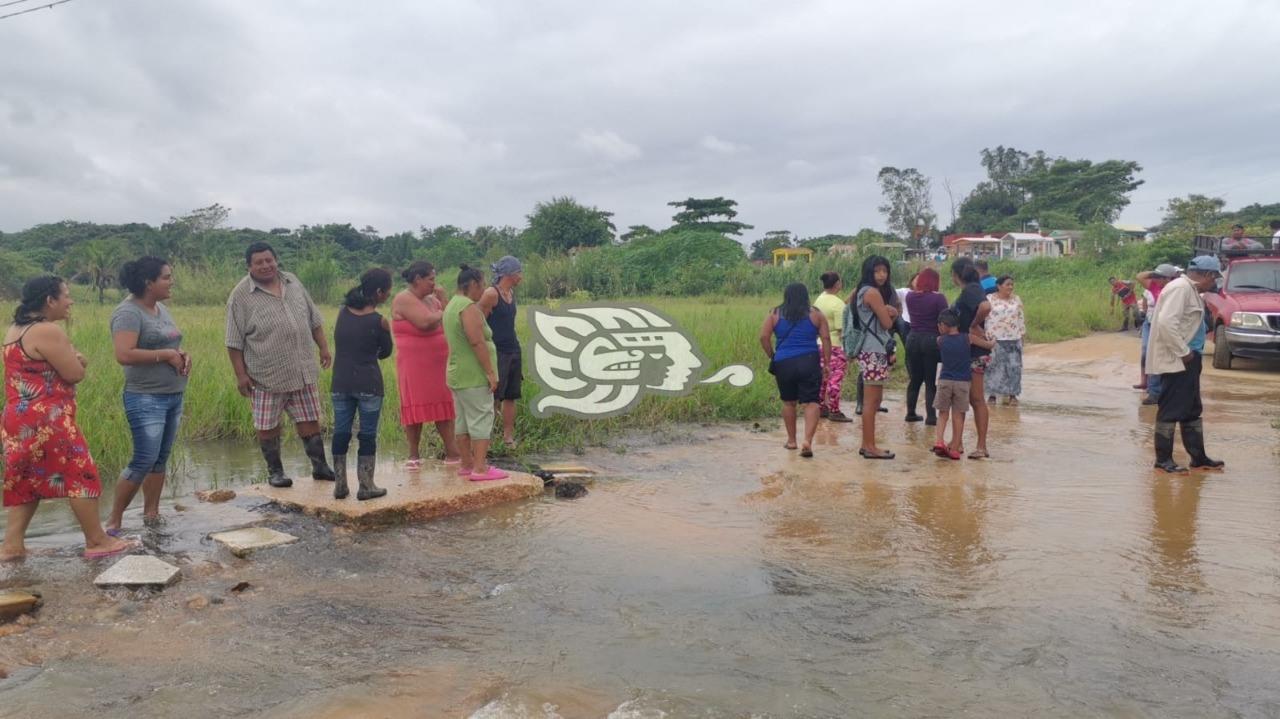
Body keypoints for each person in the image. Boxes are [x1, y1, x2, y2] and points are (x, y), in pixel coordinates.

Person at [1, 277, 134, 560]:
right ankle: (97, 540)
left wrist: (74, 359)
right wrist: (80, 360)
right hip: (48, 418)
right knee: (81, 474)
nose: (70, 301)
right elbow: (74, 373)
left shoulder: (16, 328)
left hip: (18, 418)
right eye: (66, 295)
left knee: (26, 480)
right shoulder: (47, 330)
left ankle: (12, 545)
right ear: (50, 300)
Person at [225, 242, 335, 488]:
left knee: (310, 419)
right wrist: (241, 375)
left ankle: (320, 467)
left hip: (302, 369)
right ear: (249, 266)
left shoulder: (292, 282)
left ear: (276, 260)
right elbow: (233, 342)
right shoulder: (240, 296)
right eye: (259, 262)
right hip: (266, 375)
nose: (266, 266)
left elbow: (313, 318)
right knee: (268, 425)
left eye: (269, 260)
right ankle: (275, 472)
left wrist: (324, 347)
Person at [105, 257, 190, 535]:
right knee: (143, 458)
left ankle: (151, 514)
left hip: (173, 394)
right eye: (166, 277)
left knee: (160, 458)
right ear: (148, 282)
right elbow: (123, 354)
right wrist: (166, 355)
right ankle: (114, 521)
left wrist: (180, 355)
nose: (171, 281)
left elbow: (169, 342)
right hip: (145, 397)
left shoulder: (160, 308)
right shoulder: (128, 313)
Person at [1147, 255, 1225, 473]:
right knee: (1171, 408)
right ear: (1208, 275)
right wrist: (1183, 352)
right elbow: (1165, 321)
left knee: (1191, 408)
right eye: (1214, 278)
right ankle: (1163, 460)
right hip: (1180, 358)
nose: (1214, 284)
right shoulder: (1181, 288)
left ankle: (1198, 458)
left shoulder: (1189, 290)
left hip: (1190, 357)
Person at [330, 269, 394, 501]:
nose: (388, 295)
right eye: (387, 291)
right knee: (367, 435)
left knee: (341, 431)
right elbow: (386, 352)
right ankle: (366, 486)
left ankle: (340, 485)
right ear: (378, 292)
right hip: (369, 383)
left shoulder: (342, 313)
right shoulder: (380, 321)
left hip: (341, 382)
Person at [392, 261, 460, 468]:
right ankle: (413, 454)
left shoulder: (432, 300)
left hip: (438, 362)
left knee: (444, 405)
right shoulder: (403, 298)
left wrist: (443, 301)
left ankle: (452, 451)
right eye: (430, 279)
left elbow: (452, 317)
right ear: (417, 279)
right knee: (415, 407)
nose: (434, 283)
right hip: (415, 364)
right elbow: (425, 322)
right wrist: (443, 311)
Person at [443, 265, 508, 481]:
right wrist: (490, 372)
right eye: (482, 284)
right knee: (481, 417)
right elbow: (476, 341)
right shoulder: (468, 307)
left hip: (456, 373)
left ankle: (466, 463)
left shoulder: (452, 304)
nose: (484, 289)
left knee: (462, 420)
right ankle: (480, 468)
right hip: (472, 374)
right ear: (472, 284)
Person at [760, 282, 830, 458]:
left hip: (784, 362)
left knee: (788, 402)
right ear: (806, 296)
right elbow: (826, 338)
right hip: (809, 360)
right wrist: (827, 363)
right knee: (811, 402)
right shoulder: (816, 314)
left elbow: (764, 337)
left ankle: (791, 441)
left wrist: (773, 356)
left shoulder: (775, 313)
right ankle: (807, 440)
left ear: (786, 296)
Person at [852, 255, 898, 459]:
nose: (882, 275)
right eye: (877, 271)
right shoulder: (872, 293)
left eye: (884, 271)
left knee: (874, 400)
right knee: (872, 402)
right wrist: (892, 312)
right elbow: (887, 324)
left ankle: (866, 444)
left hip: (869, 350)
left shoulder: (860, 291)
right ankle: (870, 446)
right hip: (874, 350)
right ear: (869, 272)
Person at [951, 257, 995, 459]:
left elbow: (985, 307)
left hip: (974, 353)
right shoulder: (970, 289)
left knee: (975, 398)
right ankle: (957, 442)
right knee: (963, 397)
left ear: (956, 275)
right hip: (966, 351)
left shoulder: (971, 289)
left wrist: (974, 325)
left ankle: (981, 446)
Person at [478, 256, 523, 445]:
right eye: (519, 272)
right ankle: (487, 437)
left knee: (511, 395)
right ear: (510, 274)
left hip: (513, 349)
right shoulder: (491, 294)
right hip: (497, 351)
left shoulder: (510, 293)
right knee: (494, 396)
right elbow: (478, 322)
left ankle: (507, 436)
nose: (521, 276)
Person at [904, 268, 948, 425]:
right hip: (931, 340)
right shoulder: (939, 298)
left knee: (915, 379)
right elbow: (945, 319)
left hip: (913, 338)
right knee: (930, 381)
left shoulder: (910, 296)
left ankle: (910, 413)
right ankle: (931, 416)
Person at [1135, 263, 1178, 402]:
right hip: (1151, 323)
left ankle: (1160, 390)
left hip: (1166, 325)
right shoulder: (1154, 286)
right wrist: (1156, 272)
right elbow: (1139, 276)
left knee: (1161, 356)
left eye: (1160, 277)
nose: (1156, 279)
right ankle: (1153, 390)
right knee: (1148, 352)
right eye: (1156, 277)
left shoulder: (1175, 289)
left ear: (1168, 279)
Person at [813, 271, 852, 422]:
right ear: (837, 284)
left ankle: (822, 407)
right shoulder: (838, 304)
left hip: (819, 344)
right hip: (835, 345)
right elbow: (842, 330)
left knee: (823, 377)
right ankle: (834, 410)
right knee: (835, 379)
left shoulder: (819, 299)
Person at [932, 309, 970, 461]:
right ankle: (954, 448)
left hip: (945, 381)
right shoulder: (968, 338)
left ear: (943, 325)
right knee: (958, 416)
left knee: (942, 414)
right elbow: (985, 343)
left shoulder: (940, 340)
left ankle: (939, 441)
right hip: (962, 382)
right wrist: (991, 342)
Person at [984, 276, 1026, 405]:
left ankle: (1013, 395)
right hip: (994, 339)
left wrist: (1022, 336)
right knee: (994, 367)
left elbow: (1020, 318)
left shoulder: (1016, 299)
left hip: (1013, 338)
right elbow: (983, 317)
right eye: (1007, 284)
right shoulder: (989, 299)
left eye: (1012, 285)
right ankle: (992, 395)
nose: (1010, 287)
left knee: (1014, 367)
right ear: (999, 286)